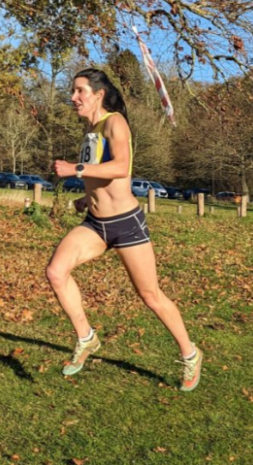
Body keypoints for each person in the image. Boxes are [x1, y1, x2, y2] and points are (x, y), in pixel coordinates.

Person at [47, 68, 202, 391]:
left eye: (79, 91)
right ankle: (86, 338)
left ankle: (190, 354)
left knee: (150, 295)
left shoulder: (115, 122)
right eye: (73, 92)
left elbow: (121, 167)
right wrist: (84, 198)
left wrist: (75, 169)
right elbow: (100, 177)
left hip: (125, 224)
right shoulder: (90, 129)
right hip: (95, 223)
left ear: (98, 94)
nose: (73, 97)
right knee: (56, 272)